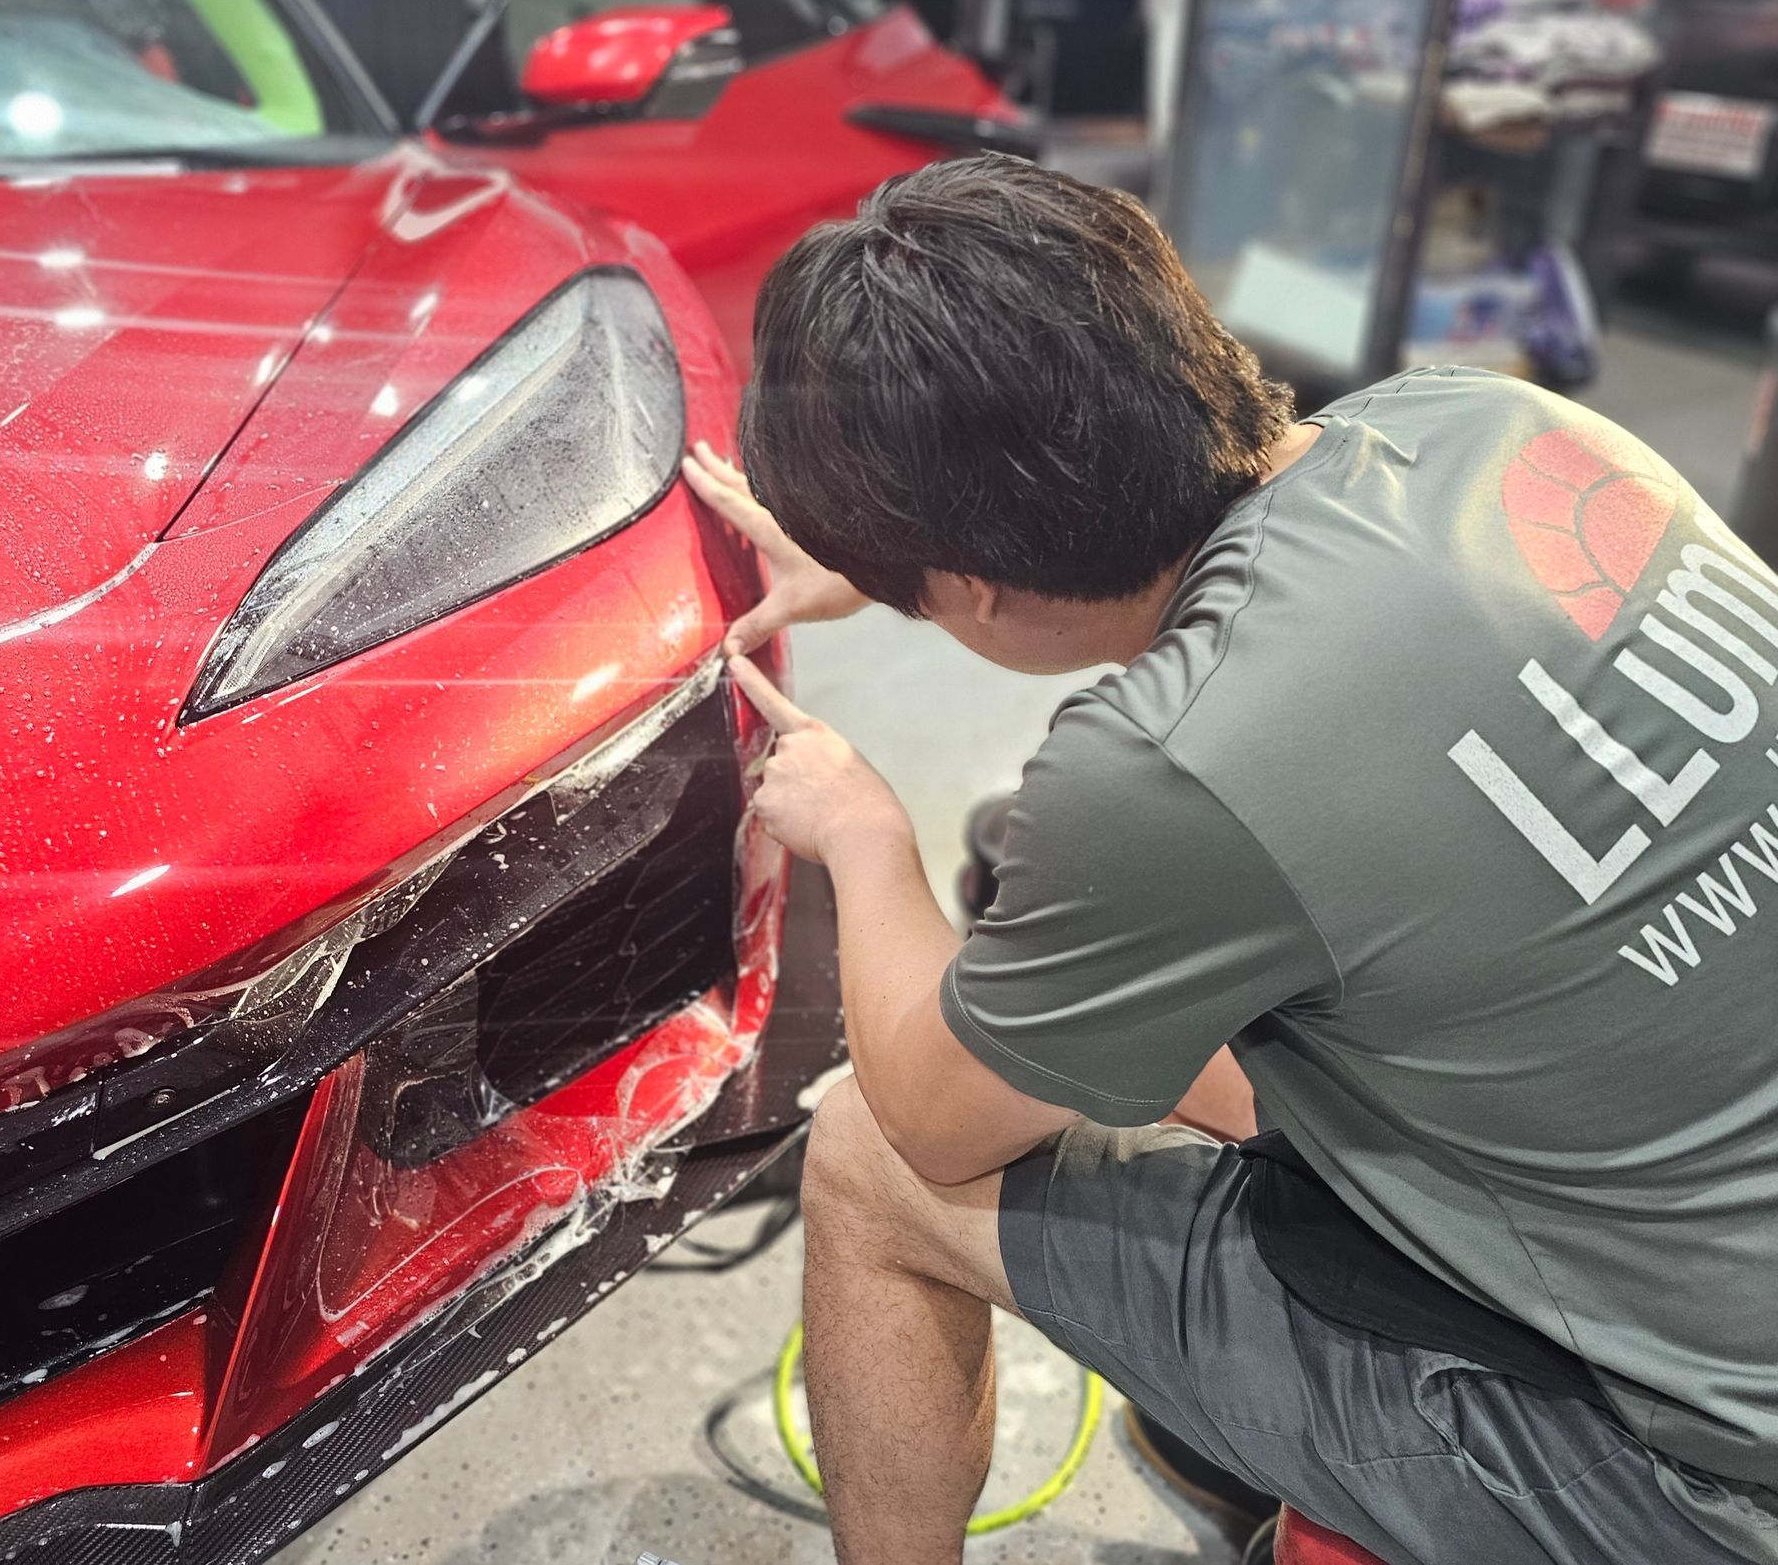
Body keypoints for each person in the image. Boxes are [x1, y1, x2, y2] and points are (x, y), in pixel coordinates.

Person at [679, 156, 1778, 1565]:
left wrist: (859, 828)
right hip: (1701, 1158)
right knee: (1131, 981)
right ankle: (1233, 1431)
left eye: (923, 589)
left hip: (1700, 1478)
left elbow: (939, 1120)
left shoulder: (1165, 767)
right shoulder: (1496, 421)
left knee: (872, 1158)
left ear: (972, 586)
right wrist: (921, 569)